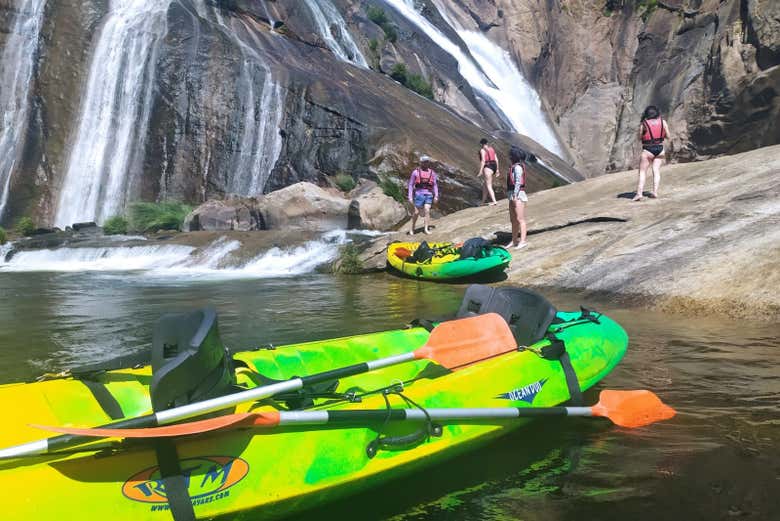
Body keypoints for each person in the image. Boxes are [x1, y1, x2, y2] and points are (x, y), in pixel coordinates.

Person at [633, 105, 671, 201]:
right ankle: (655, 192)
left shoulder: (644, 124)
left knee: (642, 172)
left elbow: (639, 137)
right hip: (660, 149)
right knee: (656, 171)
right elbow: (668, 136)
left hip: (648, 150)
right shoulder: (663, 122)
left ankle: (639, 194)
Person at [407, 155, 439, 235]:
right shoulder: (415, 172)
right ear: (421, 163)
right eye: (424, 162)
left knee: (427, 210)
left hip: (429, 195)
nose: (425, 163)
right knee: (417, 212)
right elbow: (411, 184)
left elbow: (435, 185)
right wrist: (410, 197)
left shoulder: (432, 173)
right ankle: (412, 227)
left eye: (427, 162)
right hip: (419, 195)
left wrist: (436, 195)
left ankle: (426, 229)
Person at [506, 145, 530, 249]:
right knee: (513, 220)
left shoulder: (518, 167)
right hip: (512, 195)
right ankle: (514, 240)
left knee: (520, 219)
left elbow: (517, 182)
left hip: (518, 195)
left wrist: (515, 196)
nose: (509, 156)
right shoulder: (515, 166)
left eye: (511, 155)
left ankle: (523, 241)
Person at [477, 138, 500, 206]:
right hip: (494, 166)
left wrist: (480, 171)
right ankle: (482, 202)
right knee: (485, 185)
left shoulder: (482, 150)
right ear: (487, 143)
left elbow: (483, 161)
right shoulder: (492, 149)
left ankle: (494, 201)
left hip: (488, 167)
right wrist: (497, 170)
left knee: (488, 185)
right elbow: (496, 159)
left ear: (481, 144)